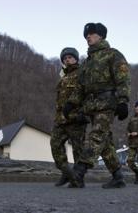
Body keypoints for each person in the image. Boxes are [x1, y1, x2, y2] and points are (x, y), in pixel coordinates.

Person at [64, 22, 131, 188]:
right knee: (105, 142)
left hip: (107, 103)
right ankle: (118, 176)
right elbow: (80, 87)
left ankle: (79, 171)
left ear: (100, 36)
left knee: (96, 136)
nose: (88, 37)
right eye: (86, 35)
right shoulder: (87, 63)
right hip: (91, 106)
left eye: (92, 34)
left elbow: (123, 79)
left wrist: (123, 101)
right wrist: (71, 103)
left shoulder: (112, 55)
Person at [50, 47, 87, 187]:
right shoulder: (63, 77)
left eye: (70, 57)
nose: (67, 60)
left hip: (76, 118)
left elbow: (88, 93)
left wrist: (84, 112)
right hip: (60, 119)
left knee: (78, 150)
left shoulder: (82, 73)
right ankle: (67, 173)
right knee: (55, 145)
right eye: (65, 58)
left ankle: (78, 178)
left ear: (76, 59)